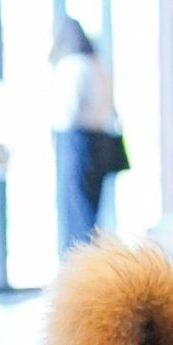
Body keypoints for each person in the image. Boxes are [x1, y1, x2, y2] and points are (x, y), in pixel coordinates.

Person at [50, 17, 126, 256]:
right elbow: (111, 107)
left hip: (77, 140)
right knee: (92, 209)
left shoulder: (72, 65)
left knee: (75, 208)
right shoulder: (98, 64)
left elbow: (68, 111)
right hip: (101, 141)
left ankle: (75, 263)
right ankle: (91, 261)